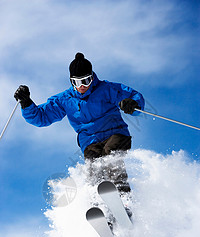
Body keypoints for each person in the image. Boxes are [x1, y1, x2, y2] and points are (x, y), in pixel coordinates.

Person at [14, 52, 145, 201]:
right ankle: (101, 206)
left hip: (116, 134)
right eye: (77, 82)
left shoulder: (107, 89)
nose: (82, 86)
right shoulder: (65, 99)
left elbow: (135, 97)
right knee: (94, 168)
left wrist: (131, 104)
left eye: (86, 80)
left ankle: (124, 199)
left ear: (92, 77)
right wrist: (26, 103)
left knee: (111, 156)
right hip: (90, 142)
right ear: (71, 82)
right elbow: (42, 117)